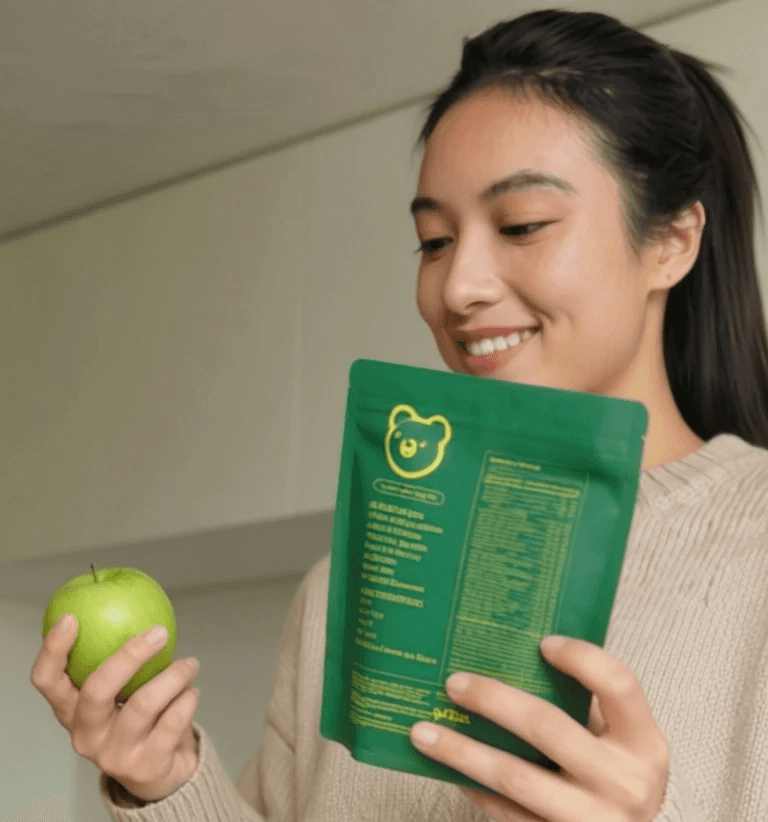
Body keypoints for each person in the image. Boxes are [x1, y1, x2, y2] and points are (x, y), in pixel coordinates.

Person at [30, 8, 768, 821]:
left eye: (521, 225)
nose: (458, 288)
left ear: (671, 240)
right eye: (434, 241)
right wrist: (164, 781)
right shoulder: (345, 585)